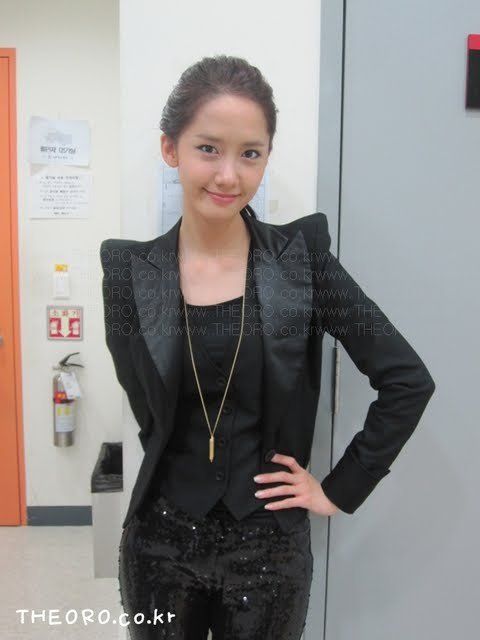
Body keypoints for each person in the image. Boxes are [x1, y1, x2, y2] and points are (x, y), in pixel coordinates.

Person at [100, 54, 435, 640]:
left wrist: (339, 488)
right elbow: (145, 404)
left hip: (269, 551)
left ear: (266, 158)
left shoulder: (303, 264)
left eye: (250, 154)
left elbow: (407, 379)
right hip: (158, 544)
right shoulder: (129, 273)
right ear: (170, 149)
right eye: (208, 148)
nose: (228, 175)